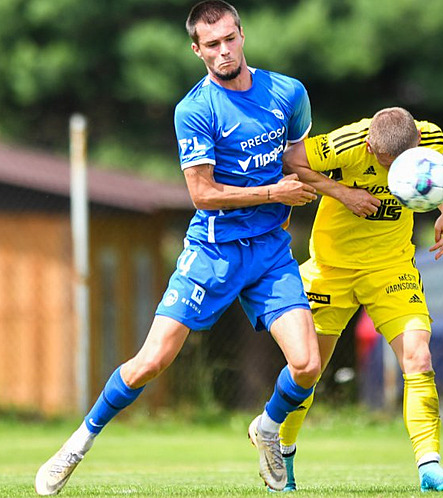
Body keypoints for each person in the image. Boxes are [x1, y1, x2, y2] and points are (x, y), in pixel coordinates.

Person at [34, 1, 321, 495]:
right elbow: (202, 193)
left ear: (242, 34)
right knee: (152, 361)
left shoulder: (288, 92)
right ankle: (76, 445)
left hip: (271, 250)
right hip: (213, 252)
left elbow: (298, 160)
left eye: (230, 38)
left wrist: (344, 193)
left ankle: (268, 429)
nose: (224, 50)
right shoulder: (194, 109)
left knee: (308, 365)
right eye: (212, 44)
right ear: (197, 50)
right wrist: (275, 192)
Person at [277, 107, 443, 492]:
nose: (394, 172)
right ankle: (283, 453)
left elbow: (437, 168)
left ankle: (430, 467)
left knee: (419, 356)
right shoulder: (344, 143)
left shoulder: (430, 137)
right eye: (384, 164)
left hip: (390, 267)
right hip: (332, 268)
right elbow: (291, 161)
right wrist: (344, 193)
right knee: (307, 369)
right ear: (368, 145)